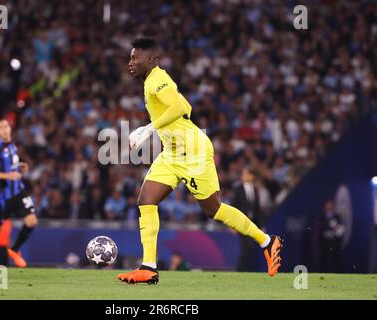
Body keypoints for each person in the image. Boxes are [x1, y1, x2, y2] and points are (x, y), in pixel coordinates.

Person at [117, 37, 283, 284]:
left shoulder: (158, 79)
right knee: (146, 200)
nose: (131, 62)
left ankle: (268, 242)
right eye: (131, 57)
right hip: (173, 152)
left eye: (135, 57)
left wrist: (148, 129)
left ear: (151, 59)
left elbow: (176, 108)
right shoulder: (154, 80)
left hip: (192, 150)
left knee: (213, 209)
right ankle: (148, 267)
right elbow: (186, 106)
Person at [0, 118, 38, 268]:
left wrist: (18, 167)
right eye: (0, 128)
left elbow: (8, 164)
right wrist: (7, 176)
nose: (4, 129)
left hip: (18, 191)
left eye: (6, 126)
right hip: (3, 197)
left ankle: (15, 250)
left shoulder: (11, 145)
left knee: (32, 221)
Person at [231, 167, 264, 271]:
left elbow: (257, 209)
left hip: (253, 223)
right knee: (245, 247)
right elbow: (233, 207)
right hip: (241, 222)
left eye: (245, 174)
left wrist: (261, 226)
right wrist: (231, 225)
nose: (243, 176)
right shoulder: (238, 189)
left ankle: (248, 270)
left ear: (251, 176)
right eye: (242, 174)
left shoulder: (255, 189)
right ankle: (239, 271)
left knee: (250, 248)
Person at [320, 200, 344, 273]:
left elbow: (340, 230)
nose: (329, 206)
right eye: (327, 205)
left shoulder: (337, 217)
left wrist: (336, 227)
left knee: (335, 259)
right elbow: (321, 229)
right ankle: (323, 274)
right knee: (324, 259)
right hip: (325, 242)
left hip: (334, 242)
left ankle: (337, 274)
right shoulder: (322, 217)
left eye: (330, 205)